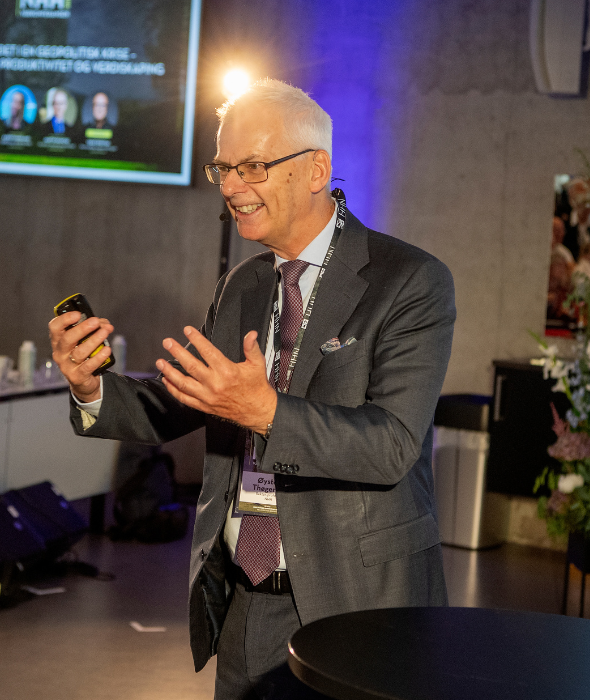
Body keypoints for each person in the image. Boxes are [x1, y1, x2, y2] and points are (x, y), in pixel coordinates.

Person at [48, 78, 454, 700]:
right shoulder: (242, 284)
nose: (232, 187)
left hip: (357, 601)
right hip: (244, 598)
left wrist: (265, 412)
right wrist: (89, 387)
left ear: (316, 169)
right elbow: (183, 401)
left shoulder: (409, 281)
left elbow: (392, 446)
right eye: (223, 168)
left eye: (253, 166)